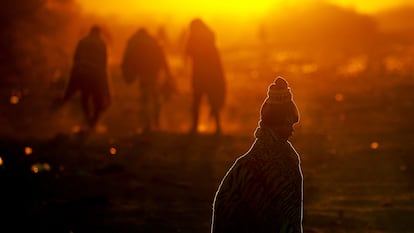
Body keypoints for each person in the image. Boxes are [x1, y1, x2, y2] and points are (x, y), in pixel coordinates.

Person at [211, 77, 303, 233]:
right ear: (278, 123)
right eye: (288, 124)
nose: (292, 130)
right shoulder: (282, 164)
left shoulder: (243, 166)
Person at [121, 28, 174, 133]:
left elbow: (127, 58)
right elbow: (162, 57)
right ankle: (156, 121)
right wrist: (168, 74)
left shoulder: (134, 42)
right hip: (153, 72)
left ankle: (148, 125)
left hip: (143, 72)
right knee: (154, 96)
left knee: (145, 98)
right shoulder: (153, 41)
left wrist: (129, 73)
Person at [59, 25, 111, 130]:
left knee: (85, 98)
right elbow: (103, 63)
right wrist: (105, 82)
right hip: (95, 75)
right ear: (99, 33)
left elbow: (76, 58)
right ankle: (93, 122)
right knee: (97, 99)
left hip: (82, 73)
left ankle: (87, 119)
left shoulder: (82, 41)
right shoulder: (101, 44)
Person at [185, 18, 226, 135]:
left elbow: (188, 53)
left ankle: (195, 127)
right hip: (211, 75)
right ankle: (217, 128)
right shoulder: (209, 38)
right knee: (212, 100)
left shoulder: (194, 38)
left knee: (197, 101)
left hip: (199, 75)